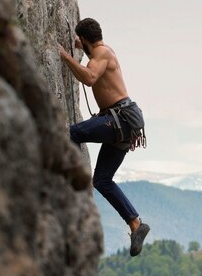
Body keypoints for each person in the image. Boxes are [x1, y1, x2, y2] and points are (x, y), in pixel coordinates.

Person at [58, 17, 150, 257]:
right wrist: (80, 46)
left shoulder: (101, 54)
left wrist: (66, 56)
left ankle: (69, 181)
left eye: (81, 41)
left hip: (118, 119)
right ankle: (136, 224)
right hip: (123, 122)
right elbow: (93, 60)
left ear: (87, 40)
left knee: (73, 133)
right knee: (102, 180)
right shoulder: (101, 51)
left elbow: (89, 78)